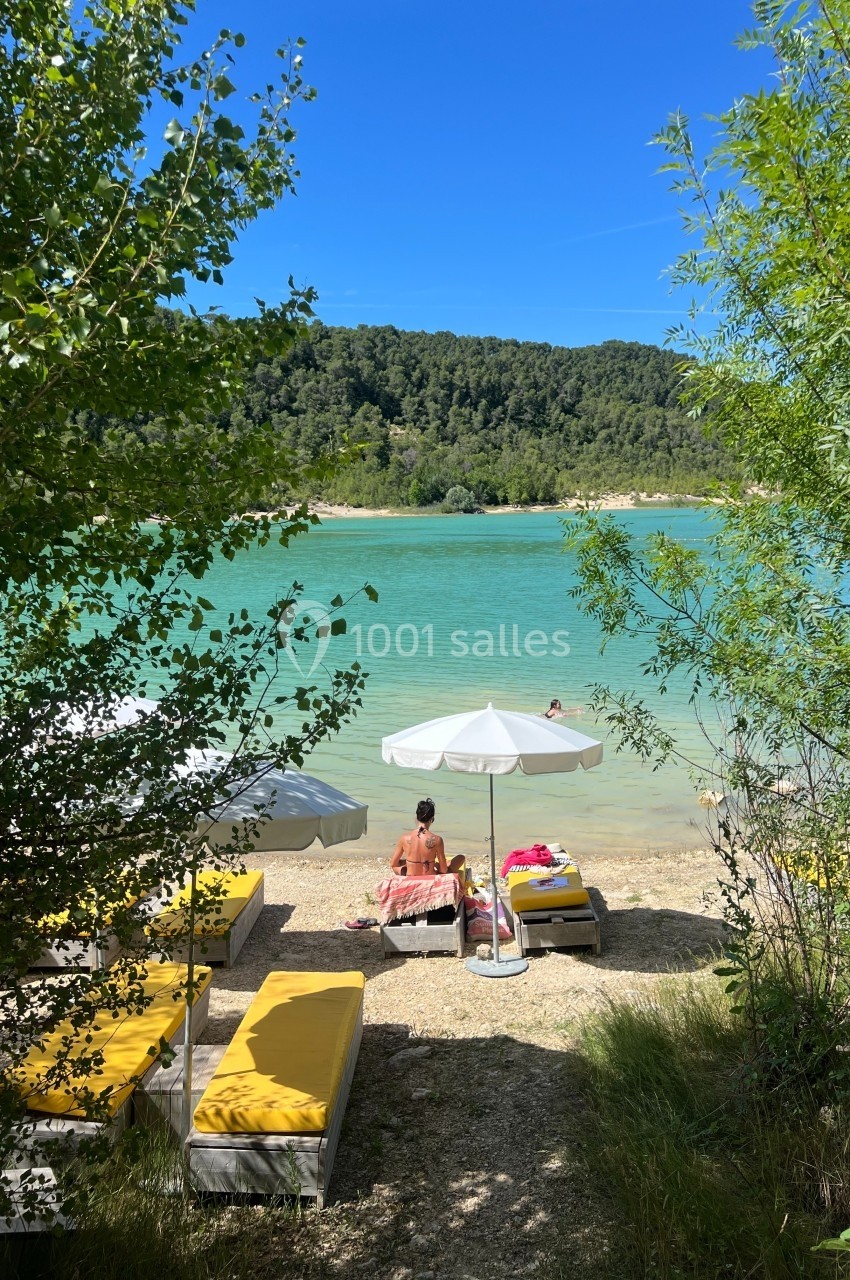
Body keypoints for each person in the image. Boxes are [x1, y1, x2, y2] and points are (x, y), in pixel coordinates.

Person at [390, 797, 465, 879]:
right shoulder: (437, 840)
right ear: (432, 819)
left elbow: (393, 864)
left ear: (416, 817)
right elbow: (443, 870)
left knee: (398, 866)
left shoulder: (404, 838)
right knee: (461, 858)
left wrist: (409, 862)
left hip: (411, 877)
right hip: (430, 878)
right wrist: (436, 865)